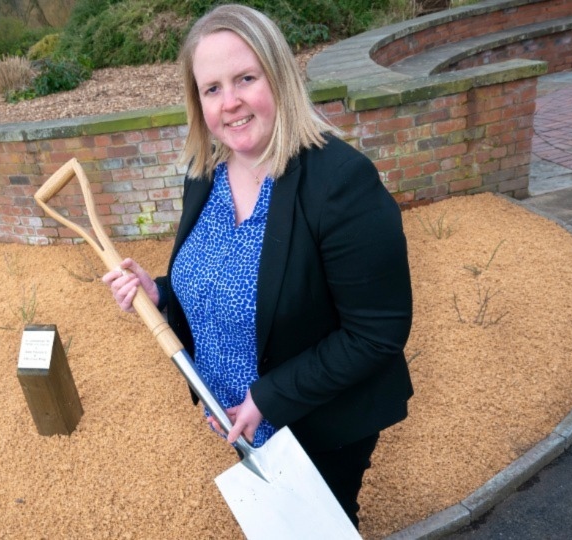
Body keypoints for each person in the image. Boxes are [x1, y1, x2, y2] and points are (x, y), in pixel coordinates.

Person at [102, 4, 413, 530]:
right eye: (212, 88)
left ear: (279, 75)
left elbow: (377, 332)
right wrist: (159, 294)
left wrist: (266, 399)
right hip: (233, 418)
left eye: (245, 78)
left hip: (317, 419)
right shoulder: (206, 176)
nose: (231, 103)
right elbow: (221, 280)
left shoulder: (339, 183)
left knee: (320, 526)